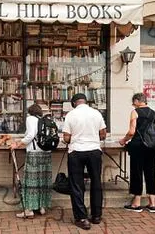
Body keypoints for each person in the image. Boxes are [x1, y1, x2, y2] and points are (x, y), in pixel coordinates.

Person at [62, 93, 107, 230]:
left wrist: (71, 139)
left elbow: (67, 138)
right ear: (85, 102)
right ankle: (96, 216)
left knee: (76, 185)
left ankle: (81, 218)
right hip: (94, 151)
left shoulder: (71, 115)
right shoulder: (96, 113)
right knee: (96, 182)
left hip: (76, 151)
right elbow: (103, 134)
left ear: (74, 103)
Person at [10, 104, 52, 218]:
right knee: (43, 180)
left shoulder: (30, 119)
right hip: (46, 153)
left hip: (34, 153)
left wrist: (18, 144)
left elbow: (31, 135)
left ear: (30, 112)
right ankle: (42, 207)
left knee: (30, 182)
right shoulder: (45, 119)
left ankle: (29, 210)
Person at [119, 92, 155, 213]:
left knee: (137, 172)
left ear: (137, 101)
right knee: (150, 172)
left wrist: (123, 140)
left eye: (133, 102)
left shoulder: (135, 112)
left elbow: (131, 132)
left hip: (138, 146)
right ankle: (152, 204)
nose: (133, 105)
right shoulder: (153, 113)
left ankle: (136, 203)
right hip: (151, 146)